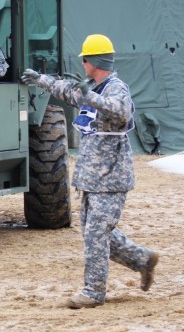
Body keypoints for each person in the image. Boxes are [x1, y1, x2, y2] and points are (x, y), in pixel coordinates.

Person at [20, 34, 159, 309]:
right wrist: (40, 79)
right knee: (95, 232)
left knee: (96, 234)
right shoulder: (93, 87)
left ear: (93, 61)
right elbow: (67, 90)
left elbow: (121, 112)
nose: (82, 64)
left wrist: (89, 95)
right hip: (93, 178)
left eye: (84, 60)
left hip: (111, 177)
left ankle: (93, 292)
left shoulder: (116, 88)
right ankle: (142, 259)